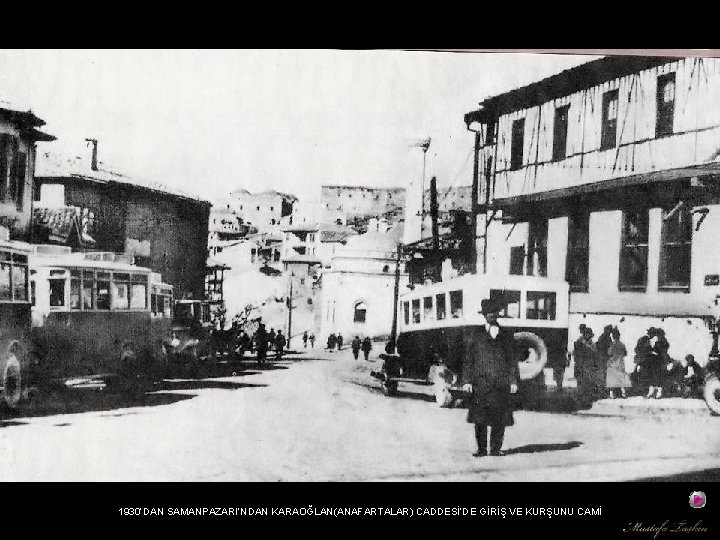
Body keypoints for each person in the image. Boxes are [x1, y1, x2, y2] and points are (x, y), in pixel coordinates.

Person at [461, 298, 518, 457]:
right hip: (480, 383)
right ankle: (481, 449)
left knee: (499, 417)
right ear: (484, 315)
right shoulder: (475, 335)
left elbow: (512, 360)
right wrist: (466, 381)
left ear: (498, 314)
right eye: (488, 313)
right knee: (480, 418)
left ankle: (495, 449)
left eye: (494, 312)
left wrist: (513, 381)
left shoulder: (506, 335)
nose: (491, 315)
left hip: (501, 383)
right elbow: (468, 359)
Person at [573, 324, 596, 408]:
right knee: (581, 385)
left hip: (588, 367)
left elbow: (594, 356)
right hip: (582, 367)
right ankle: (581, 403)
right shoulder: (579, 343)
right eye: (587, 334)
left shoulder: (592, 344)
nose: (589, 336)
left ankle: (586, 402)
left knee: (588, 385)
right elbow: (577, 356)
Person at [605, 327, 630, 398]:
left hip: (614, 362)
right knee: (620, 377)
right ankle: (621, 392)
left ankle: (614, 393)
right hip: (620, 361)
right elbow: (625, 353)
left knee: (614, 377)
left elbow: (609, 353)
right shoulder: (622, 344)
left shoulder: (612, 344)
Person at [595, 325, 613, 399]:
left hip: (605, 360)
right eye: (608, 330)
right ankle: (602, 393)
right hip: (602, 360)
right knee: (602, 377)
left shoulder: (607, 338)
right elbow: (602, 350)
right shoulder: (602, 338)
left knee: (605, 377)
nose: (609, 332)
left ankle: (605, 393)